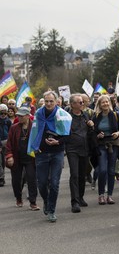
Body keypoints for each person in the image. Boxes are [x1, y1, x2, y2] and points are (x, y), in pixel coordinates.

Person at [29, 90, 71, 223]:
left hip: (57, 152)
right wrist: (34, 148)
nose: (48, 103)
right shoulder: (38, 114)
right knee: (41, 183)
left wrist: (58, 141)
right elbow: (34, 131)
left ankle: (51, 210)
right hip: (41, 153)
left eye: (51, 101)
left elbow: (68, 135)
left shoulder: (63, 115)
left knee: (54, 183)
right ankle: (46, 201)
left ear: (56, 101)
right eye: (46, 101)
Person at [92, 94, 119, 205]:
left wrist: (118, 133)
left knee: (111, 171)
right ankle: (101, 195)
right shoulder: (96, 116)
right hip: (101, 144)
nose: (105, 104)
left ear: (109, 103)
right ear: (99, 105)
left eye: (107, 102)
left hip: (113, 144)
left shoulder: (115, 115)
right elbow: (92, 131)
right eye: (103, 102)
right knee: (102, 170)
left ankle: (109, 196)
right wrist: (97, 135)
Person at [66, 94, 94, 213]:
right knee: (75, 174)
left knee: (83, 175)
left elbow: (90, 131)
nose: (82, 104)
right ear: (72, 104)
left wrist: (92, 126)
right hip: (72, 149)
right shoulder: (67, 117)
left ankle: (81, 197)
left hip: (85, 149)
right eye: (80, 102)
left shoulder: (86, 115)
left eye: (83, 102)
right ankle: (75, 202)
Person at [5, 106, 38, 210]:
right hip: (17, 157)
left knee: (32, 179)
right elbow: (9, 143)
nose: (19, 117)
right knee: (16, 180)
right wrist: (9, 156)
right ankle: (18, 198)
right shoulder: (14, 127)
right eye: (18, 116)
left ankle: (33, 202)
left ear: (28, 116)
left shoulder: (34, 126)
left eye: (21, 116)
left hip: (30, 158)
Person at [0, 103, 12, 186]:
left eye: (5, 113)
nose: (3, 115)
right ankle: (1, 177)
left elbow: (11, 132)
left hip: (6, 141)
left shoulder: (8, 121)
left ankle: (2, 176)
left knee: (4, 161)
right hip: (0, 142)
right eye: (1, 113)